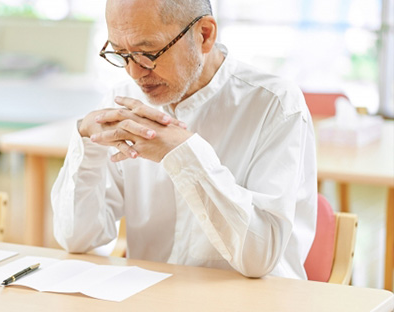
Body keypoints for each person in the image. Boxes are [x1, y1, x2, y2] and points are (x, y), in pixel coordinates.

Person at [51, 0, 317, 279]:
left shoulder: (275, 105)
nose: (134, 72)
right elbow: (76, 239)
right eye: (120, 54)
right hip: (150, 298)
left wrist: (183, 153)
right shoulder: (123, 102)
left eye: (148, 53)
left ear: (204, 35)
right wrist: (87, 143)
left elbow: (258, 259)